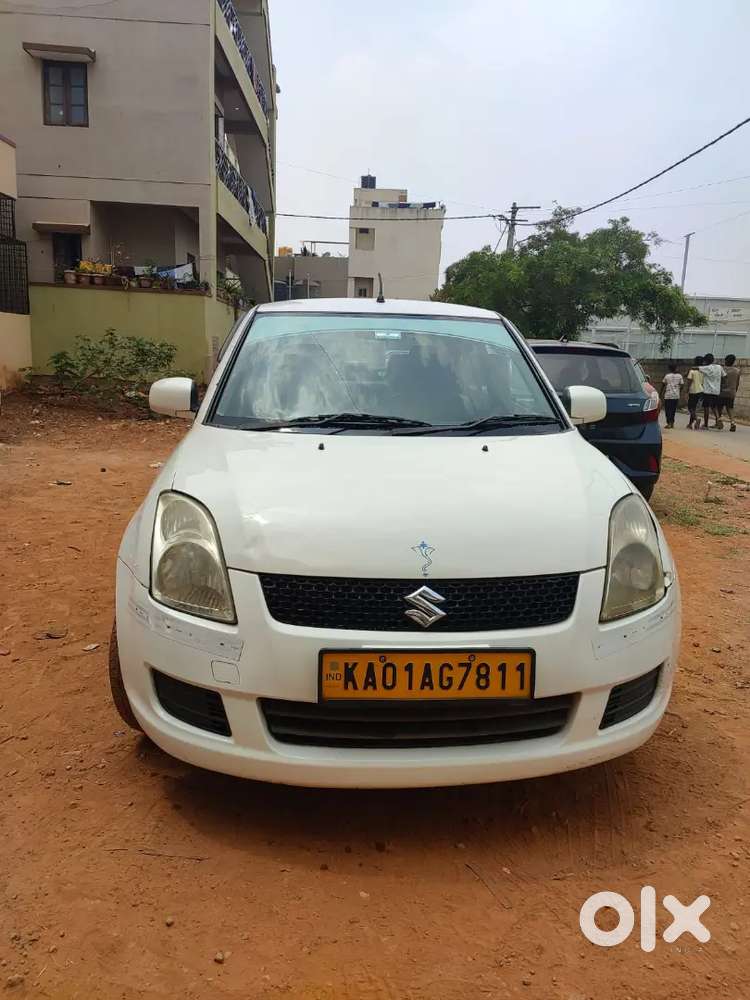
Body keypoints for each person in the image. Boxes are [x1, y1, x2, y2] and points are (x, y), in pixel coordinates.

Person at [698, 353, 724, 429]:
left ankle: (706, 424)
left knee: (706, 407)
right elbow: (725, 376)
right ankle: (718, 419)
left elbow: (696, 368)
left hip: (707, 391)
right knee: (714, 407)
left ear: (706, 361)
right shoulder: (719, 367)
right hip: (716, 391)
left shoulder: (706, 368)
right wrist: (720, 385)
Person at [718, 354, 741, 432]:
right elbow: (737, 383)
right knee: (730, 408)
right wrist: (734, 391)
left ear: (726, 360)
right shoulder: (737, 371)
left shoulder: (722, 369)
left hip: (721, 392)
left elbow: (720, 381)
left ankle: (719, 421)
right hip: (731, 392)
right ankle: (733, 423)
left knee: (719, 407)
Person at [660, 363, 684, 429]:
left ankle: (669, 423)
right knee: (673, 410)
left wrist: (660, 394)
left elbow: (663, 385)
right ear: (676, 368)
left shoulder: (667, 376)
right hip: (676, 395)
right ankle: (672, 423)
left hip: (668, 395)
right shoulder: (679, 376)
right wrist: (679, 391)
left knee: (668, 410)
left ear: (669, 369)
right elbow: (682, 385)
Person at [686, 355, 704, 429]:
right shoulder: (703, 371)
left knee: (690, 407)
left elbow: (689, 381)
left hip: (693, 390)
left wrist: (687, 390)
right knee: (694, 408)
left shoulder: (692, 371)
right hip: (701, 390)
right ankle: (690, 424)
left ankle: (696, 419)